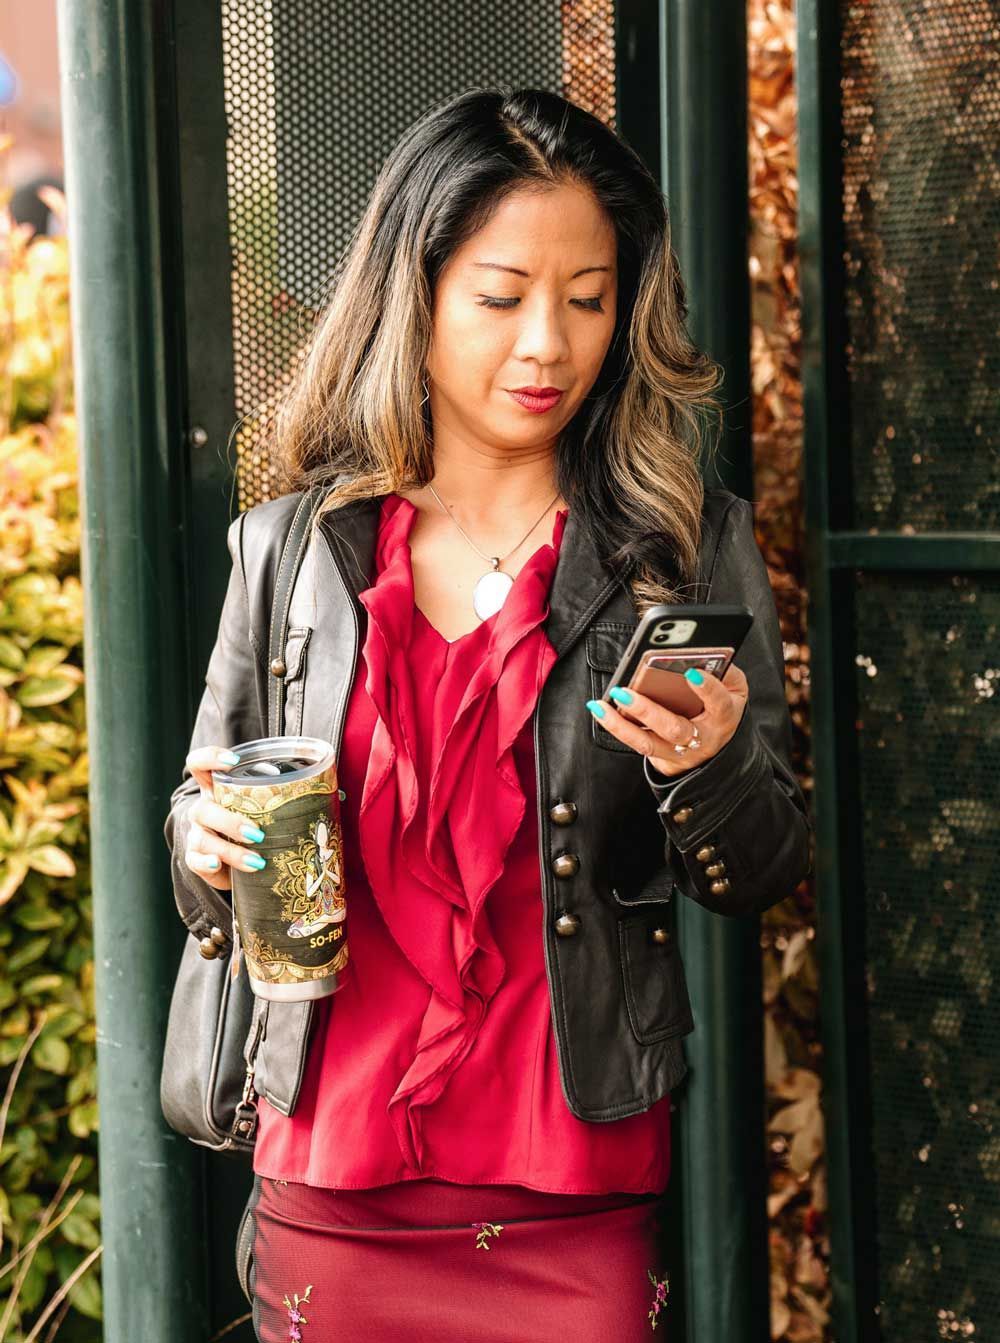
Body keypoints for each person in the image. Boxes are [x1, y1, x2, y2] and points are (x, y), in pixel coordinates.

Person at [163, 85, 813, 1342]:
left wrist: (710, 763)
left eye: (586, 298)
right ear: (416, 293)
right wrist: (202, 838)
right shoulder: (291, 547)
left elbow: (762, 864)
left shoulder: (677, 547)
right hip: (333, 1174)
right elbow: (206, 817)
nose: (547, 348)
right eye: (502, 296)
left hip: (574, 1181)